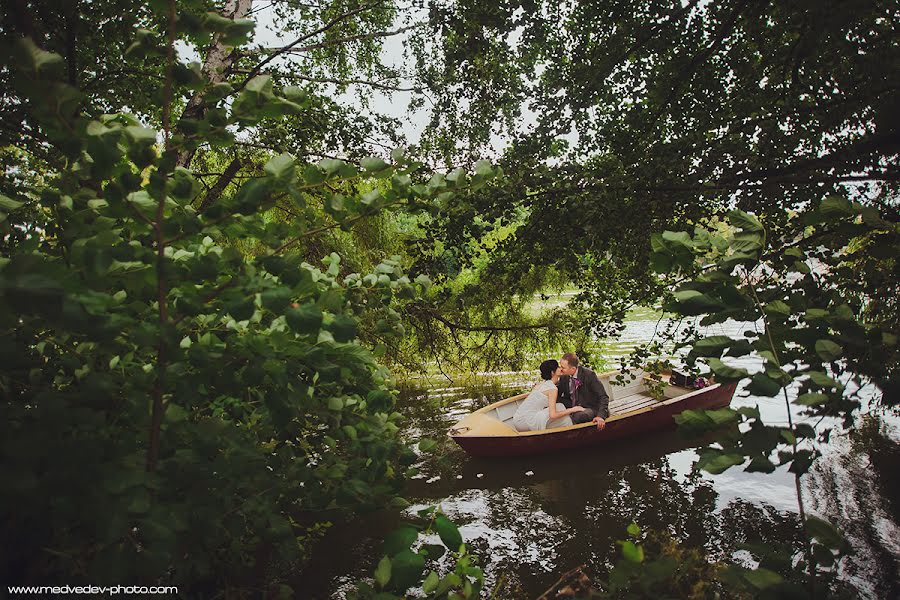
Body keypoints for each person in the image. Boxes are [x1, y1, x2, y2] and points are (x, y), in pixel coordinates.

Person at [512, 359, 586, 432]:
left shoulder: (541, 384)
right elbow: (553, 415)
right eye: (558, 367)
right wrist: (573, 409)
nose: (560, 368)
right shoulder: (552, 389)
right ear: (552, 372)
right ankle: (572, 430)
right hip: (524, 422)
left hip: (517, 418)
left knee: (560, 406)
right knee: (564, 417)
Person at [558, 352, 609, 430]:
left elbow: (603, 397)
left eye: (563, 367)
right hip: (573, 406)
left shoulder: (589, 375)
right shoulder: (564, 377)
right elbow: (557, 395)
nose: (560, 369)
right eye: (560, 366)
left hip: (590, 407)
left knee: (579, 416)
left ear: (573, 369)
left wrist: (600, 416)